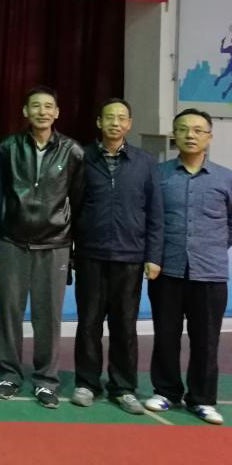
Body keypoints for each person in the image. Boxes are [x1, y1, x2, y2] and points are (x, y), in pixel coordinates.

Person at [0, 86, 83, 409]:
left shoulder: (73, 151)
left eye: (48, 106)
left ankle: (46, 380)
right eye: (36, 106)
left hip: (55, 244)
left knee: (48, 316)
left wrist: (73, 248)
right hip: (12, 242)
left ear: (57, 112)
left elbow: (79, 201)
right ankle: (9, 374)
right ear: (25, 112)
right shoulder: (8, 147)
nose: (42, 112)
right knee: (10, 312)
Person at [71, 98, 161, 414]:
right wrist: (72, 249)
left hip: (130, 256)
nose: (115, 123)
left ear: (129, 124)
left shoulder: (145, 162)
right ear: (99, 122)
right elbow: (73, 206)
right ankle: (86, 383)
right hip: (90, 254)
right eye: (109, 117)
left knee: (125, 324)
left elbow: (155, 212)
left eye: (122, 118)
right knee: (89, 322)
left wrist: (153, 255)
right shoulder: (82, 157)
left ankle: (123, 387)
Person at [145, 108, 232, 425]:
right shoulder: (159, 175)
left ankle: (203, 399)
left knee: (206, 340)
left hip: (209, 272)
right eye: (183, 129)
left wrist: (211, 247)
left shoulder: (226, 178)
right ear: (174, 134)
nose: (190, 135)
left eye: (197, 130)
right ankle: (166, 391)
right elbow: (150, 219)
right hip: (167, 270)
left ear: (209, 136)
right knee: (165, 335)